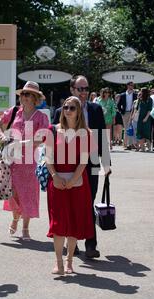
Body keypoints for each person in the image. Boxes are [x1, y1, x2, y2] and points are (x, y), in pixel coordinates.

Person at [52, 75, 111, 259]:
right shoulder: (62, 111)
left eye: (86, 89)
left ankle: (90, 244)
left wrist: (106, 163)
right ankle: (72, 243)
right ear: (72, 90)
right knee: (69, 203)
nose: (84, 92)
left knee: (87, 202)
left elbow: (102, 136)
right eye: (80, 89)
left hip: (91, 162)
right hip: (67, 164)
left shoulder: (95, 109)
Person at [45, 96, 95, 275]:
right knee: (58, 224)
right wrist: (54, 176)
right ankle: (58, 262)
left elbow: (84, 161)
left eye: (72, 108)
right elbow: (48, 158)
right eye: (65, 107)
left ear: (78, 111)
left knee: (73, 223)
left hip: (78, 183)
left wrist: (73, 180)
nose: (67, 110)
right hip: (56, 182)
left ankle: (69, 261)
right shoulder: (52, 130)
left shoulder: (86, 133)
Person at [0, 81, 49, 241]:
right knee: (13, 193)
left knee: (29, 195)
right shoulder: (14, 111)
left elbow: (41, 139)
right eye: (23, 94)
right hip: (12, 159)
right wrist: (2, 135)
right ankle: (15, 217)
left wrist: (22, 143)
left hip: (30, 161)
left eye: (28, 94)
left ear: (35, 98)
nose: (24, 97)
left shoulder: (41, 117)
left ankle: (25, 227)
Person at [117, 81, 137, 150]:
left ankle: (131, 144)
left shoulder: (135, 95)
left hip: (133, 113)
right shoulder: (122, 95)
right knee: (126, 129)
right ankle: (127, 144)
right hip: (125, 113)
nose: (132, 87)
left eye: (133, 85)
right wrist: (122, 112)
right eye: (131, 85)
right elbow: (118, 105)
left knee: (132, 128)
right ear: (127, 86)